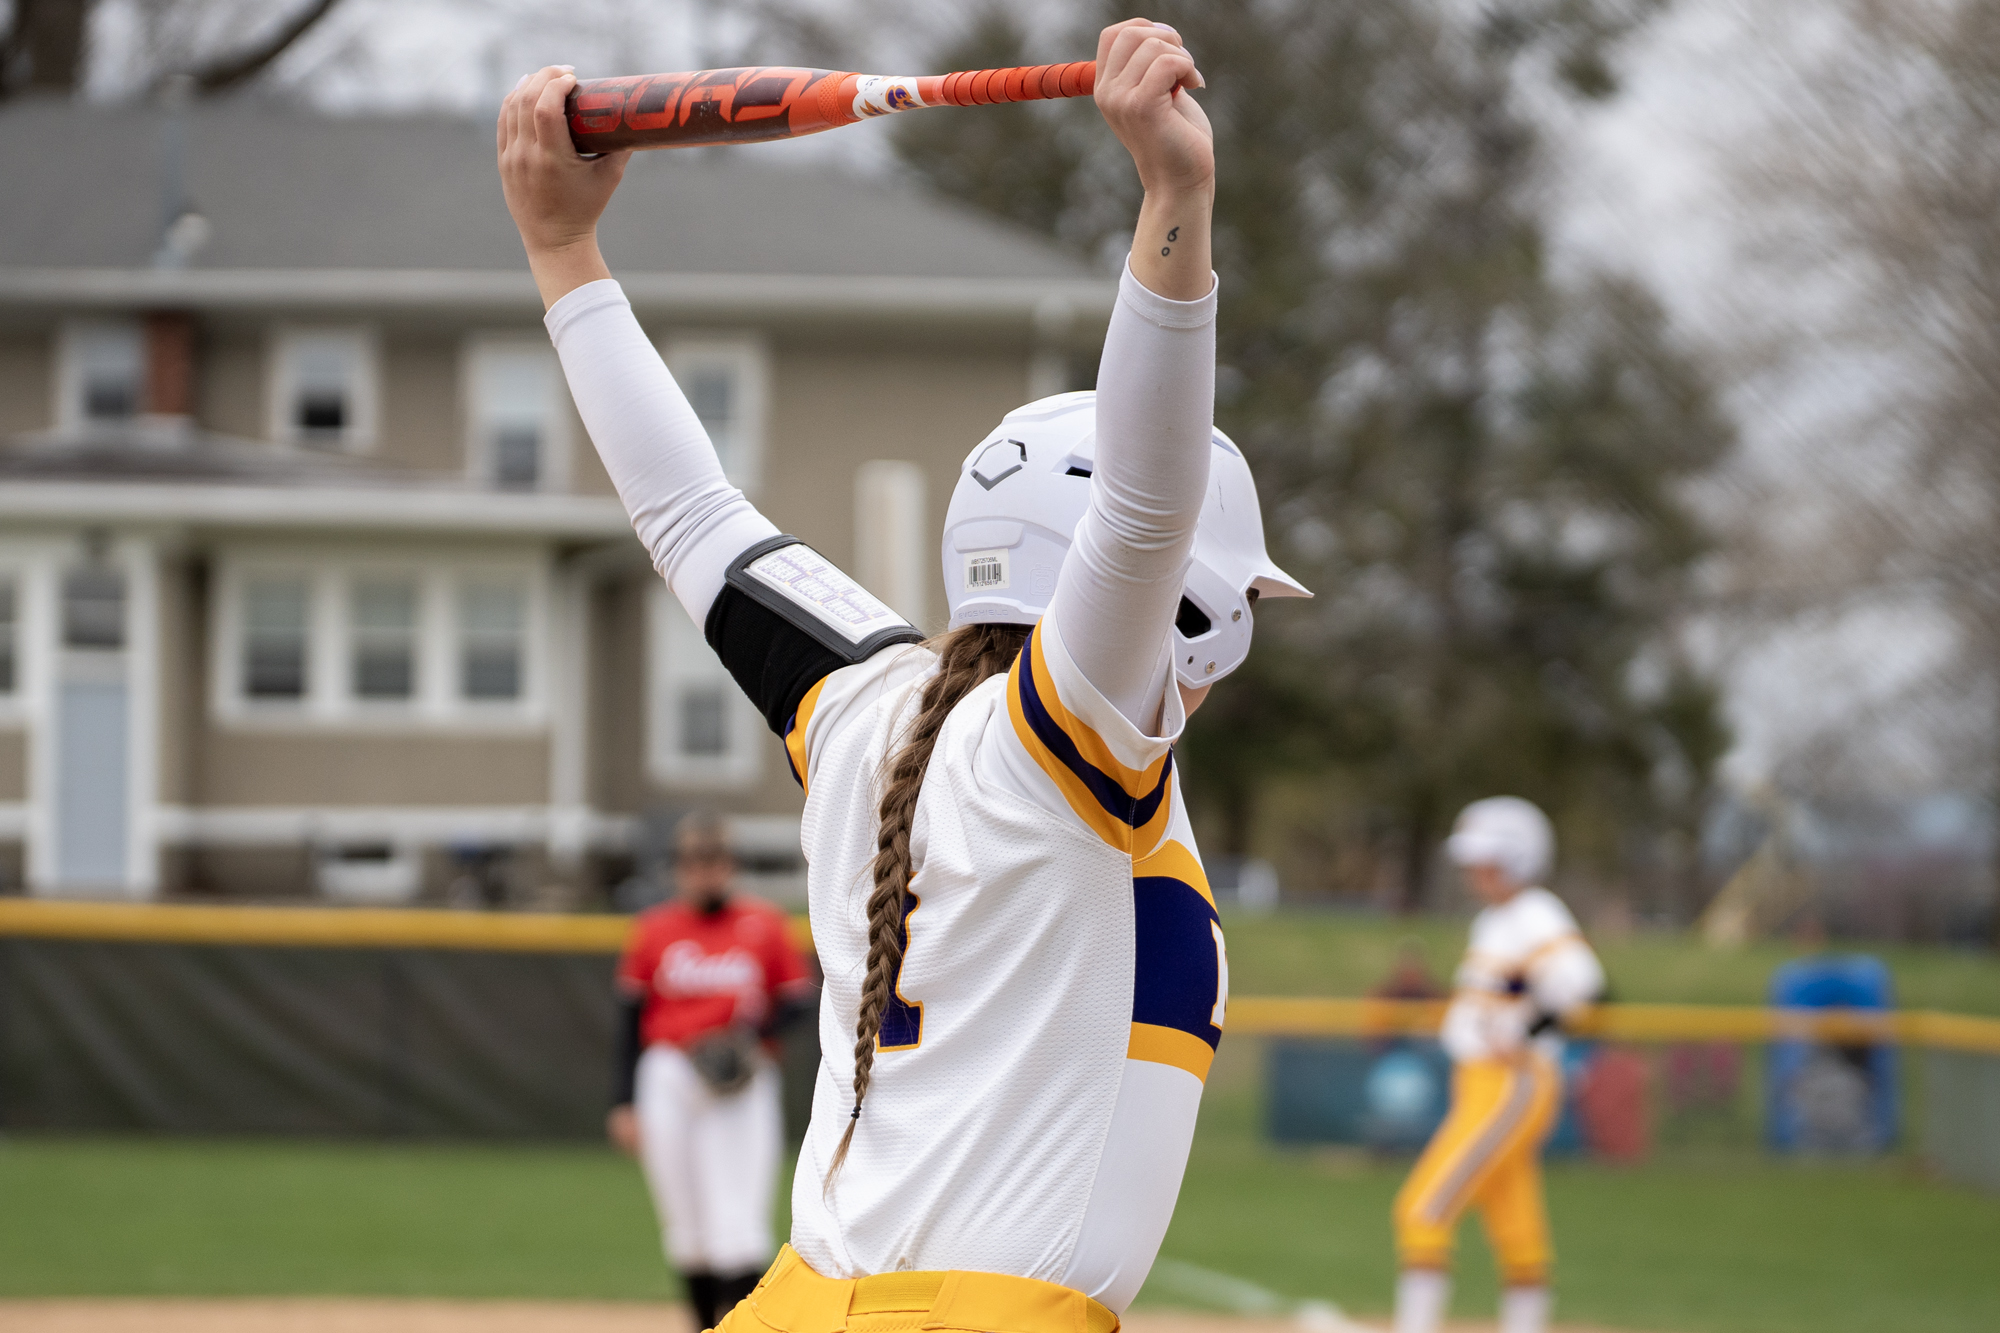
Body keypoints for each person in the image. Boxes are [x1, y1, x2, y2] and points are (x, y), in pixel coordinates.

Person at [499, 17, 1308, 1333]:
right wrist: (1176, 196)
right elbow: (1147, 510)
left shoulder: (872, 710)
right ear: (1186, 614)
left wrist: (562, 249)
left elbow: (692, 516)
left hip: (798, 1303)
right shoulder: (1066, 746)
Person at [1391, 797, 1606, 1333]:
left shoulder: (1535, 912)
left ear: (1517, 859)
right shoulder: (1499, 918)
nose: (1472, 871)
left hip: (1509, 1083)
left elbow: (1584, 983)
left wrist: (1528, 1033)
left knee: (1422, 1210)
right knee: (1518, 1230)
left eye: (1484, 859)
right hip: (1486, 1083)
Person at [609, 812, 814, 1332]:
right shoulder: (655, 929)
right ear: (678, 868)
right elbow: (630, 1021)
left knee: (738, 1219)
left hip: (739, 1080)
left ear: (730, 865)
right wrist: (623, 1102)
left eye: (714, 860)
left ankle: (741, 1326)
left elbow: (798, 998)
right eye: (693, 862)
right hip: (670, 1075)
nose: (704, 872)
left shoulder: (762, 924)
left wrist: (751, 1032)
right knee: (686, 1222)